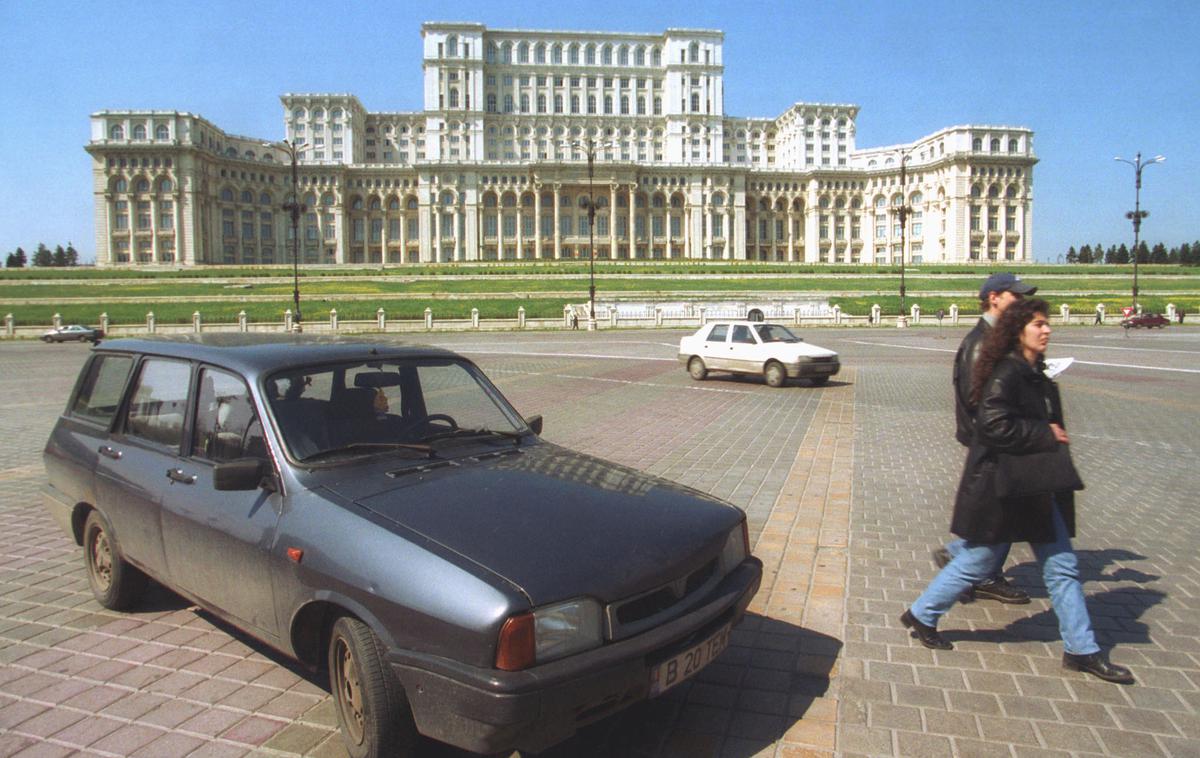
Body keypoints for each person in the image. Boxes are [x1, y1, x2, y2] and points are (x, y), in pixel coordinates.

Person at [902, 298, 1134, 684]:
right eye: (1039, 324)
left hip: (1035, 485)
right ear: (1018, 330)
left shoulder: (1035, 373)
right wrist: (1045, 434)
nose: (1047, 330)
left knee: (1061, 568)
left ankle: (1081, 649)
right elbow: (992, 426)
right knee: (978, 562)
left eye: (1047, 323)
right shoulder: (1007, 372)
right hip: (1006, 487)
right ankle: (924, 613)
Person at [939, 272, 1036, 604]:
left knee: (1001, 509)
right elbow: (976, 398)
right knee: (1000, 512)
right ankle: (978, 574)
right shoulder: (982, 341)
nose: (1020, 302)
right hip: (994, 439)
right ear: (994, 297)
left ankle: (962, 557)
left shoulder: (998, 338)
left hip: (998, 436)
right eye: (1015, 296)